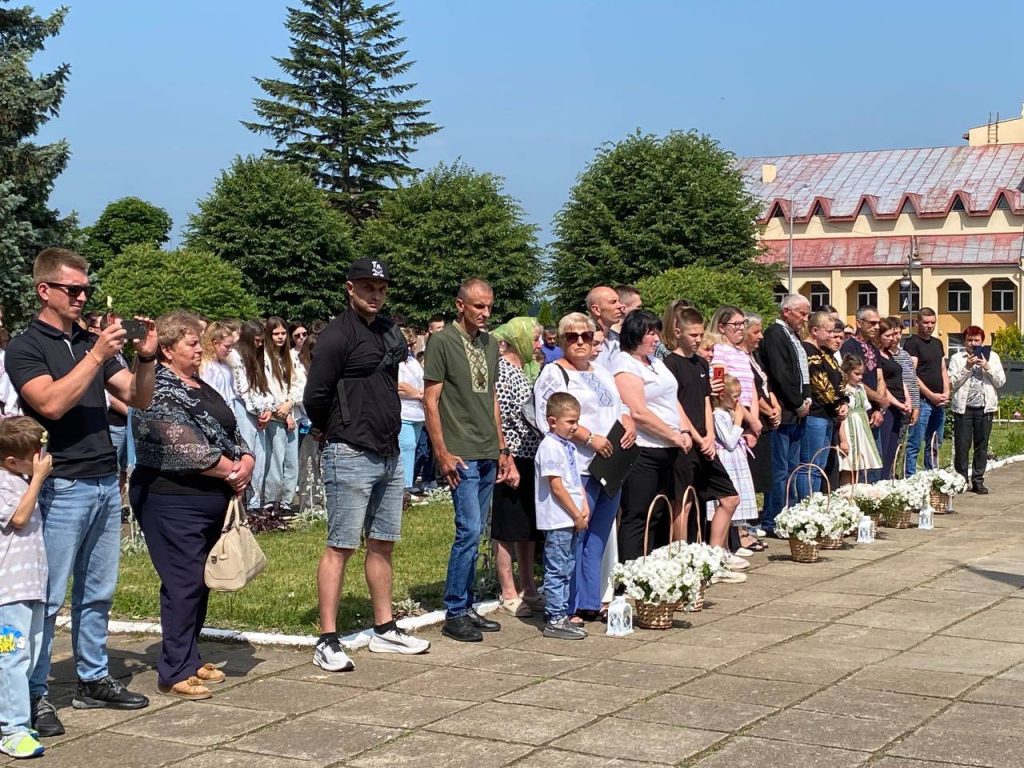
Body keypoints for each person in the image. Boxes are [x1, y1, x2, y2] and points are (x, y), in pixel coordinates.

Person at [5, 248, 155, 735]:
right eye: (73, 289)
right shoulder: (25, 347)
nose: (82, 297)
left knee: (98, 591)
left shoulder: (89, 342)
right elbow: (49, 403)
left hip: (104, 479)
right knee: (46, 599)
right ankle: (34, 692)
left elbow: (138, 396)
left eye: (86, 289)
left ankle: (92, 677)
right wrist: (96, 355)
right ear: (44, 290)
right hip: (61, 484)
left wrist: (145, 356)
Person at [304, 258, 431, 671]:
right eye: (367, 286)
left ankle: (385, 627)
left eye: (381, 287)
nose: (375, 294)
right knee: (341, 544)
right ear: (350, 288)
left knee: (382, 542)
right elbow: (315, 395)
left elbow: (388, 380)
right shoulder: (336, 335)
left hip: (388, 450)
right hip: (349, 450)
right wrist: (335, 428)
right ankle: (327, 638)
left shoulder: (389, 329)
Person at [130, 312, 256, 700]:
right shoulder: (157, 387)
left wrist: (246, 459)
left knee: (200, 582)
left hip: (210, 494)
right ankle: (173, 671)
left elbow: (231, 429)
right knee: (183, 582)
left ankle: (190, 656)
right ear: (167, 350)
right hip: (171, 498)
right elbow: (181, 444)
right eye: (191, 343)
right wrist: (232, 470)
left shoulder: (200, 384)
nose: (200, 349)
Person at [424, 278, 517, 643]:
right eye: (478, 306)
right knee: (469, 530)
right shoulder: (442, 341)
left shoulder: (490, 344)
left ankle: (467, 603)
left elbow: (491, 396)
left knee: (477, 532)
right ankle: (455, 610)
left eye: (489, 306)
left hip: (487, 449)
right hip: (460, 451)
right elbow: (431, 401)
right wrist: (441, 452)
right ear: (460, 305)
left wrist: (502, 447)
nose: (485, 313)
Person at [534, 313, 634, 622]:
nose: (580, 342)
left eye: (586, 336)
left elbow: (620, 404)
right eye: (572, 336)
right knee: (577, 534)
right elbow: (549, 418)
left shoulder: (601, 371)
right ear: (562, 340)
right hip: (577, 465)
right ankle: (570, 603)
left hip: (609, 464)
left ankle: (591, 600)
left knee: (598, 536)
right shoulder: (554, 373)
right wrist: (590, 438)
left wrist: (628, 422)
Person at [664, 307, 748, 573]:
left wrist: (710, 435)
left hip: (705, 440)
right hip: (686, 441)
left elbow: (705, 402)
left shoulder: (701, 364)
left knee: (730, 498)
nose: (698, 340)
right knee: (683, 502)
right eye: (693, 335)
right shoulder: (670, 364)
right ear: (678, 332)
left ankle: (714, 555)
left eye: (701, 335)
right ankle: (680, 559)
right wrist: (697, 437)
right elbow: (676, 405)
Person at [613, 310, 692, 561]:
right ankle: (630, 569)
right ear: (635, 334)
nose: (656, 338)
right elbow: (637, 411)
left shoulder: (656, 362)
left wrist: (684, 430)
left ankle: (650, 564)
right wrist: (672, 435)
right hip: (644, 449)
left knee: (657, 511)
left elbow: (672, 399)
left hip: (668, 448)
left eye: (656, 332)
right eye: (650, 333)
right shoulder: (625, 363)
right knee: (638, 513)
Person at [0, 417, 51, 759]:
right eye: (35, 455)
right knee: (12, 656)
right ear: (11, 461)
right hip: (9, 592)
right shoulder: (4, 482)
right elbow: (18, 519)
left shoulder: (19, 478)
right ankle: (12, 729)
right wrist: (38, 480)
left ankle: (16, 719)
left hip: (30, 586)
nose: (42, 460)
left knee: (28, 654)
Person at [490, 318, 544, 618]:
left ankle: (528, 585)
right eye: (534, 339)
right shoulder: (501, 370)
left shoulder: (523, 370)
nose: (538, 345)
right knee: (507, 526)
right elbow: (497, 415)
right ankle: (508, 590)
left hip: (529, 454)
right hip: (510, 456)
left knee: (527, 526)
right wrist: (505, 456)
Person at [535, 392, 589, 640]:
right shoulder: (549, 447)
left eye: (577, 421)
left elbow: (575, 481)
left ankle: (562, 613)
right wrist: (575, 513)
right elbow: (556, 486)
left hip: (572, 517)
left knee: (567, 567)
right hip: (558, 519)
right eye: (570, 422)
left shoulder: (568, 446)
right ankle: (555, 617)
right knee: (557, 568)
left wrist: (584, 505)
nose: (575, 426)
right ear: (552, 421)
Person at [759, 294, 811, 536]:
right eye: (801, 313)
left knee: (792, 467)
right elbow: (780, 374)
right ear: (786, 311)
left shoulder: (794, 336)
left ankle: (789, 514)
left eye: (807, 314)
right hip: (784, 411)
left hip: (797, 413)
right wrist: (797, 402)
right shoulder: (775, 334)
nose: (805, 319)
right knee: (779, 470)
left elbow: (802, 371)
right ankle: (773, 518)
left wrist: (807, 398)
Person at [949, 326, 1005, 494]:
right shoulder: (957, 358)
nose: (973, 343)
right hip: (963, 409)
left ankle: (978, 480)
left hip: (984, 408)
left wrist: (987, 366)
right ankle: (961, 480)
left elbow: (1000, 381)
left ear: (982, 341)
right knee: (962, 445)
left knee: (981, 445)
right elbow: (952, 382)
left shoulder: (992, 357)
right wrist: (967, 367)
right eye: (970, 340)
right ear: (964, 341)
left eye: (977, 340)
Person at [740, 314, 780, 541]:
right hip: (752, 422)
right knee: (749, 476)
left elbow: (765, 384)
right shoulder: (738, 358)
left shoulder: (754, 357)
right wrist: (767, 411)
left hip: (764, 420)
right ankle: (744, 526)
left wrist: (775, 406)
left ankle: (750, 524)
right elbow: (750, 390)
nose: (761, 336)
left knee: (763, 475)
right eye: (756, 332)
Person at [799, 311, 846, 495]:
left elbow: (839, 379)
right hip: (816, 413)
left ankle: (815, 500)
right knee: (811, 464)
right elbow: (820, 383)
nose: (831, 335)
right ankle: (806, 502)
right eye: (828, 331)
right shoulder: (808, 351)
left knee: (820, 464)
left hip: (829, 414)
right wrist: (837, 404)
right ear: (815, 331)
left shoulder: (825, 353)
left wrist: (844, 401)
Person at [229, 321, 274, 517]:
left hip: (258, 412)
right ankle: (245, 504)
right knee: (248, 456)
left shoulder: (257, 357)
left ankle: (256, 503)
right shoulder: (234, 356)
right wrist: (259, 410)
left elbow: (264, 387)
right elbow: (241, 389)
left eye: (262, 341)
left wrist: (268, 409)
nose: (260, 344)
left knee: (260, 458)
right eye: (256, 340)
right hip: (243, 409)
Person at [841, 306, 888, 481]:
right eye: (872, 323)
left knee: (873, 460)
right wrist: (880, 400)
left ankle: (873, 493)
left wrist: (879, 408)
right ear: (859, 323)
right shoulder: (849, 346)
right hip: (857, 410)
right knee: (857, 462)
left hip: (873, 410)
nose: (876, 327)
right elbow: (853, 379)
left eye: (878, 323)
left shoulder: (873, 347)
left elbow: (879, 377)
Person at [263, 316, 304, 516]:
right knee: (276, 458)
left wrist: (290, 403)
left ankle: (287, 500)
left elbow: (299, 384)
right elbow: (267, 387)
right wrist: (281, 409)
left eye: (283, 333)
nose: (280, 337)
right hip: (274, 415)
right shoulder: (264, 358)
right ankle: (272, 499)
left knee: (291, 460)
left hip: (291, 413)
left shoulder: (290, 357)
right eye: (276, 333)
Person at [904, 308, 950, 475]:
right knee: (915, 443)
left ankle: (932, 475)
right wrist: (930, 395)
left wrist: (947, 392)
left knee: (935, 442)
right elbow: (911, 373)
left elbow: (943, 369)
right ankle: (910, 478)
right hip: (922, 401)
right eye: (925, 322)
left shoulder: (937, 343)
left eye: (932, 322)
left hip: (939, 402)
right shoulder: (912, 343)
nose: (929, 326)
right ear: (917, 323)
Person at [876, 319, 913, 480]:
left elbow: (900, 379)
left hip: (899, 406)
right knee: (884, 448)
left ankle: (887, 479)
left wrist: (908, 399)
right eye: (888, 335)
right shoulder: (877, 356)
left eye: (893, 335)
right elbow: (882, 385)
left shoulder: (889, 354)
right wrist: (897, 403)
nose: (892, 338)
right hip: (889, 406)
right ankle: (881, 480)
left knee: (893, 448)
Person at [838, 355, 882, 482]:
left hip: (861, 430)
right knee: (848, 465)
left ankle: (856, 489)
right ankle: (846, 489)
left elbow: (865, 408)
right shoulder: (843, 390)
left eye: (862, 374)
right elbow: (841, 417)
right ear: (847, 372)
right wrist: (843, 439)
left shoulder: (860, 388)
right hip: (849, 428)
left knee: (859, 464)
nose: (860, 377)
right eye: (856, 374)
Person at [397, 327, 427, 507]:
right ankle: (403, 489)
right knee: (406, 448)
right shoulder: (396, 364)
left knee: (414, 449)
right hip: (404, 413)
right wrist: (419, 394)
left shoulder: (413, 362)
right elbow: (399, 386)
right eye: (408, 344)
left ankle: (407, 486)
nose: (411, 347)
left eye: (413, 344)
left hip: (417, 414)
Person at [586, 285, 625, 370]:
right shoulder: (584, 342)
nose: (620, 306)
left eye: (619, 301)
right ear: (596, 310)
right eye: (613, 302)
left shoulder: (619, 339)